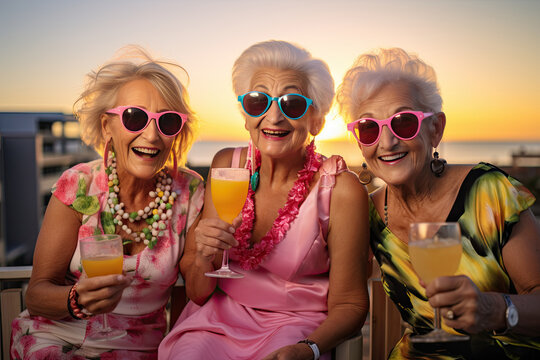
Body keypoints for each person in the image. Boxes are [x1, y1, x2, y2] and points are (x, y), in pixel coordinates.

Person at [159, 40, 369, 360]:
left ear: (317, 121)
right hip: (216, 320)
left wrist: (308, 349)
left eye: (293, 104)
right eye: (258, 102)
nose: (274, 116)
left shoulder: (341, 190)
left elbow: (351, 304)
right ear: (246, 115)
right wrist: (202, 257)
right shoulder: (226, 167)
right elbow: (198, 292)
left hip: (295, 329)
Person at [336, 47, 540, 359]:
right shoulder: (367, 214)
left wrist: (496, 309)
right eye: (369, 128)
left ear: (436, 129)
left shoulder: (490, 192)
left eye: (403, 123)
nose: (387, 142)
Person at [10, 45, 205, 359]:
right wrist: (76, 300)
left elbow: (196, 288)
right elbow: (36, 293)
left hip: (138, 348)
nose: (152, 135)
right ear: (106, 126)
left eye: (167, 122)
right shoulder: (80, 183)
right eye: (134, 117)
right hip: (57, 334)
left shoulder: (191, 190)